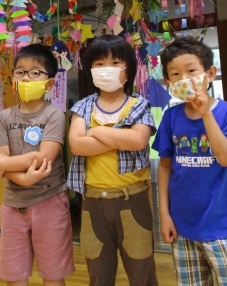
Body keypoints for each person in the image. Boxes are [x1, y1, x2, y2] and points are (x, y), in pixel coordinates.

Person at [152, 36, 227, 286]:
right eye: (175, 74)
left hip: (222, 222)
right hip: (182, 224)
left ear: (210, 73)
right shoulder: (171, 117)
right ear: (168, 82)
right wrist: (164, 215)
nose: (184, 78)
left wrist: (206, 113)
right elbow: (164, 168)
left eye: (191, 70)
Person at [67, 34, 158, 286]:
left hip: (133, 199)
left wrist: (95, 132)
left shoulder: (139, 105)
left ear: (128, 67)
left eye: (116, 62)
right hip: (93, 202)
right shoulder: (82, 107)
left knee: (142, 274)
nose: (107, 69)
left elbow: (138, 140)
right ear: (90, 69)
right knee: (99, 274)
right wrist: (119, 136)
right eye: (99, 64)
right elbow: (77, 145)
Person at [0, 44, 75, 286]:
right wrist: (23, 177)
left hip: (50, 202)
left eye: (35, 72)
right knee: (14, 274)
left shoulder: (54, 115)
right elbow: (0, 161)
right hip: (13, 206)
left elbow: (42, 158)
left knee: (53, 273)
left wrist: (6, 165)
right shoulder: (5, 117)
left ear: (49, 83)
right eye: (20, 72)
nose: (26, 77)